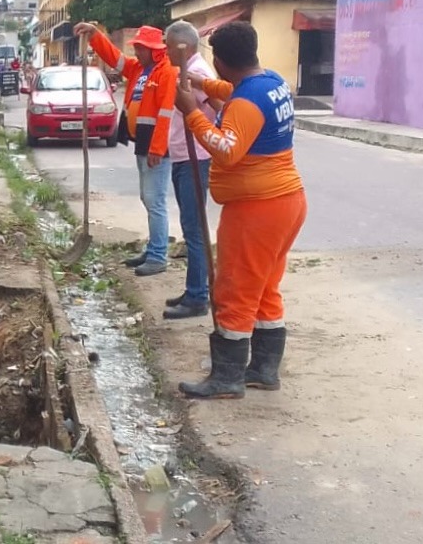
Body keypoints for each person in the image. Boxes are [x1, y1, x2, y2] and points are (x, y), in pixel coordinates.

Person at [173, 21, 307, 399]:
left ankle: (227, 378)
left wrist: (192, 113)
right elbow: (229, 89)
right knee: (264, 288)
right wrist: (200, 87)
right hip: (286, 202)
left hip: (257, 210)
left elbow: (227, 150)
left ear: (220, 59)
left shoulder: (245, 105)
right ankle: (264, 370)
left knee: (234, 289)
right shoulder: (270, 82)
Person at [73, 22, 177, 276]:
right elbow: (114, 58)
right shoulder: (140, 69)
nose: (137, 52)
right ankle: (153, 248)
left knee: (155, 200)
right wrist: (96, 35)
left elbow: (166, 113)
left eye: (142, 48)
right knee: (148, 198)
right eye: (137, 47)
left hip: (155, 146)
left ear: (155, 50)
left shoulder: (166, 72)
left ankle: (158, 255)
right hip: (143, 142)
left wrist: (157, 147)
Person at [162, 21, 223, 319]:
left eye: (167, 45)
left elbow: (220, 106)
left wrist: (195, 102)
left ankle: (199, 296)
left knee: (195, 230)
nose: (165, 50)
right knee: (190, 227)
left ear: (181, 47)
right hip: (183, 157)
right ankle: (193, 288)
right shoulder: (186, 70)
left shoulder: (199, 72)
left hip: (195, 158)